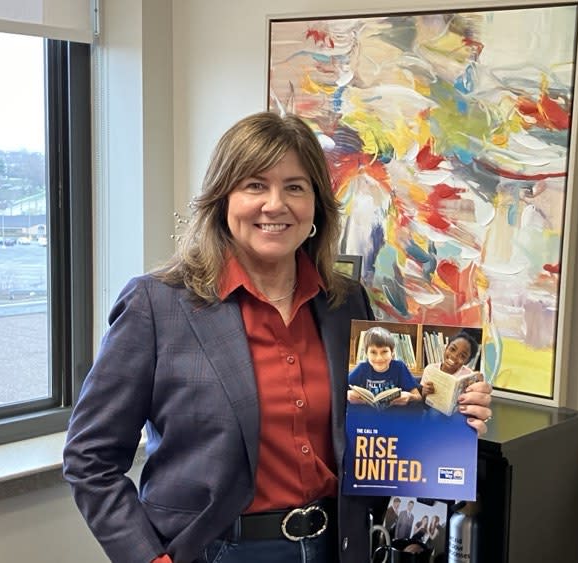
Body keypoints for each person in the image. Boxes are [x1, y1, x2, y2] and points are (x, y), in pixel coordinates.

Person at [62, 111, 493, 563]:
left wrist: (451, 416)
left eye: (294, 186)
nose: (275, 204)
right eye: (254, 185)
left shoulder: (344, 303)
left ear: (315, 206)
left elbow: (377, 430)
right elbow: (89, 458)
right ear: (222, 199)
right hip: (216, 551)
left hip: (335, 547)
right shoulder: (158, 305)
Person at [347, 326, 422, 406]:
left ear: (392, 352)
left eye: (384, 352)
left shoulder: (399, 367)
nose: (379, 358)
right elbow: (338, 390)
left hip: (393, 415)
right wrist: (347, 394)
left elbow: (418, 397)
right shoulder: (361, 368)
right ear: (366, 354)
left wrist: (410, 397)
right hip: (367, 415)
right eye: (373, 352)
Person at [420, 331, 480, 399]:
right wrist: (424, 392)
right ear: (446, 348)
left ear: (467, 361)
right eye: (452, 349)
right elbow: (422, 399)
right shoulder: (430, 369)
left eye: (462, 356)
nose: (454, 356)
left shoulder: (468, 376)